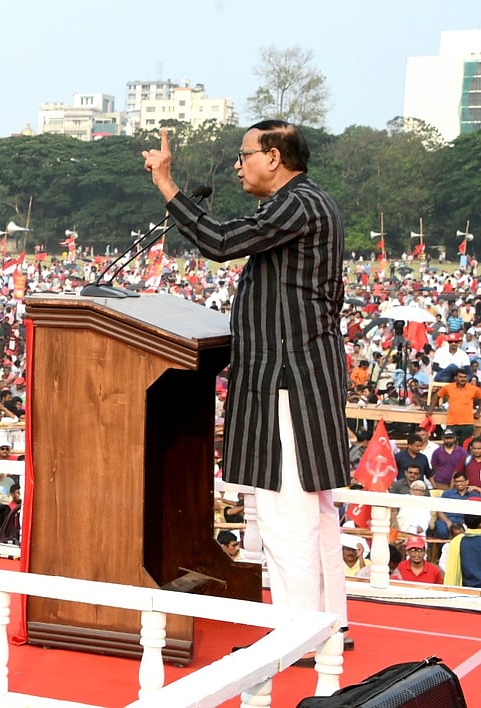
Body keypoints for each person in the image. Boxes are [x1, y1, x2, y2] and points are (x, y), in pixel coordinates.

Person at [142, 120, 351, 653]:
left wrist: (167, 185)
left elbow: (220, 241)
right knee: (315, 510)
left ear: (275, 158)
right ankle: (328, 626)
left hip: (288, 378)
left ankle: (299, 639)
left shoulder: (296, 203)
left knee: (288, 513)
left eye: (244, 155)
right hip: (305, 375)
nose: (239, 166)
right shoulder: (307, 203)